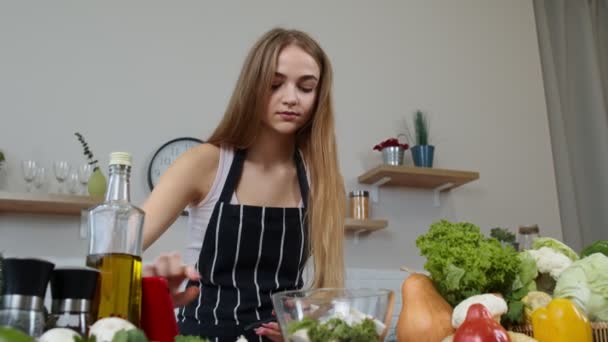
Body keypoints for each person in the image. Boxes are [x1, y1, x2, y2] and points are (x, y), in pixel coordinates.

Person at [141, 27, 346, 342]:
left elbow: (324, 296)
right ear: (252, 87)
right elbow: (113, 251)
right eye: (275, 84)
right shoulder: (205, 163)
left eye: (306, 88)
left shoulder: (320, 179)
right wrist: (152, 284)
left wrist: (305, 326)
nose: (290, 98)